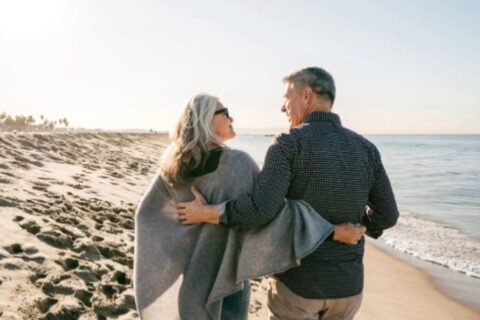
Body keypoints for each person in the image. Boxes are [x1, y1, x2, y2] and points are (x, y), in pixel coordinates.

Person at [177, 67, 399, 320]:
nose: (283, 108)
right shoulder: (366, 148)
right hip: (349, 289)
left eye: (286, 99)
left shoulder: (288, 144)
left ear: (306, 96)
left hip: (299, 286)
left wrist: (210, 213)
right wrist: (358, 228)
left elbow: (262, 209)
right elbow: (388, 215)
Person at [134, 93, 365, 320]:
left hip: (192, 285)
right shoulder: (238, 164)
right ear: (206, 120)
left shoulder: (174, 167)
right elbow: (274, 214)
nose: (232, 118)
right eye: (225, 113)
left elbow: (147, 217)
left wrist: (189, 232)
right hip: (228, 284)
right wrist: (332, 231)